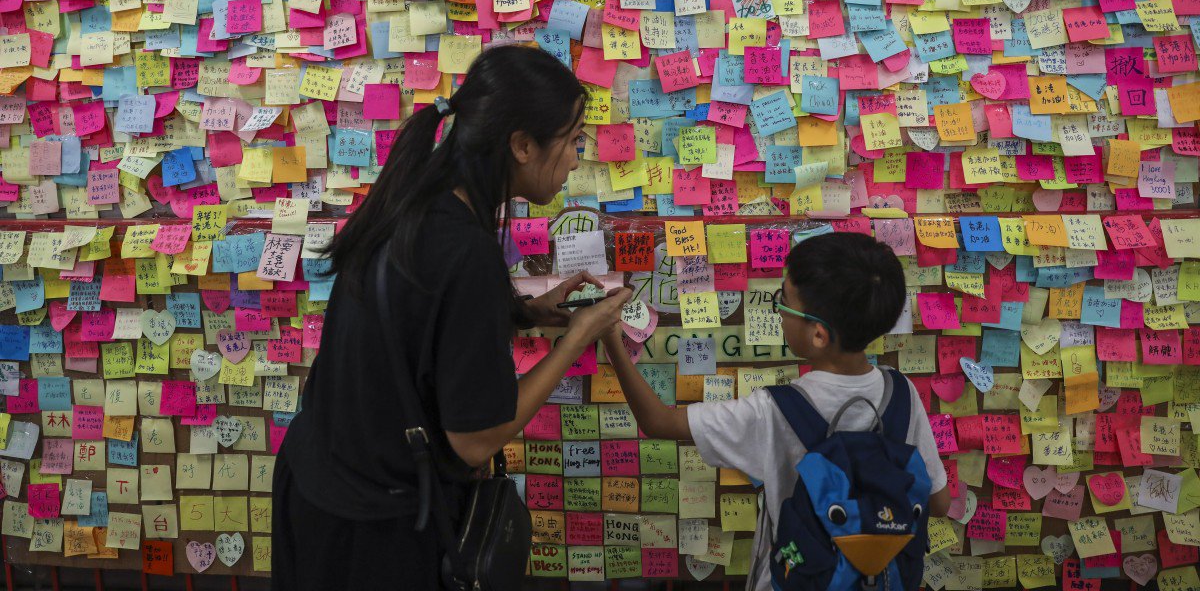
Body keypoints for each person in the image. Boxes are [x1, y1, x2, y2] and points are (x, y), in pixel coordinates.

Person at [272, 45, 632, 590]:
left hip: (317, 481)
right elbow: (476, 441)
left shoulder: (417, 196)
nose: (578, 158)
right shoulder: (466, 250)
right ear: (522, 145)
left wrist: (524, 311)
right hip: (373, 529)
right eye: (573, 140)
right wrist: (577, 338)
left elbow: (419, 316)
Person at [602, 231, 950, 591]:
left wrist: (611, 336)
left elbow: (657, 421)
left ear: (818, 334)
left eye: (784, 300)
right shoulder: (902, 394)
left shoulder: (773, 411)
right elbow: (938, 501)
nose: (779, 310)